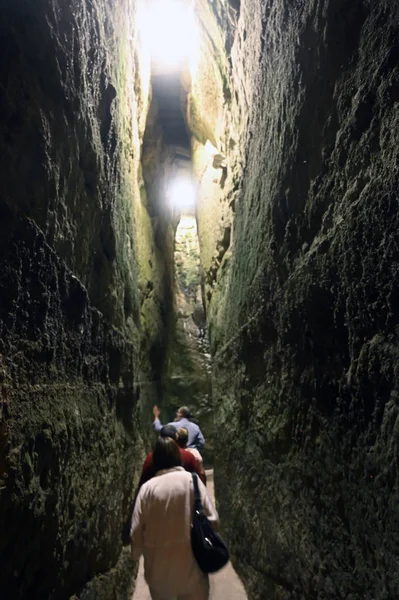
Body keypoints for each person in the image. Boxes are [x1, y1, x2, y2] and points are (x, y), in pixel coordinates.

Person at [130, 437, 219, 600]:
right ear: (178, 457)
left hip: (159, 574)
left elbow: (136, 530)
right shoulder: (193, 481)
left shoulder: (147, 489)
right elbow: (213, 519)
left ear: (155, 461)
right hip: (193, 571)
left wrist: (136, 553)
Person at [138, 425, 206, 487]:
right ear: (177, 437)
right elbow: (197, 479)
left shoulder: (151, 457)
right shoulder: (188, 456)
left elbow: (143, 481)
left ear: (159, 438)